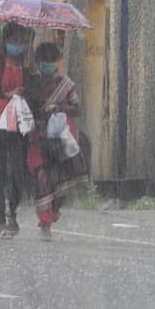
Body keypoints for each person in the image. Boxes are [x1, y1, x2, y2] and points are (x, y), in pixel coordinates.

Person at [0, 22, 41, 238]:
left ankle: (13, 212)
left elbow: (37, 96)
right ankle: (1, 219)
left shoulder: (29, 66)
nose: (18, 45)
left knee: (19, 171)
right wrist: (4, 93)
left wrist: (31, 78)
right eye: (14, 41)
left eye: (22, 41)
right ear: (6, 41)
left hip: (19, 125)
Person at [26, 42, 89, 241]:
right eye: (45, 61)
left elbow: (77, 108)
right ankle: (44, 221)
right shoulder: (31, 84)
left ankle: (54, 211)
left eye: (52, 61)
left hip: (60, 137)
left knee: (61, 178)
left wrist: (60, 109)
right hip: (37, 138)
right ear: (38, 63)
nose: (49, 65)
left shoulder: (66, 85)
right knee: (42, 178)